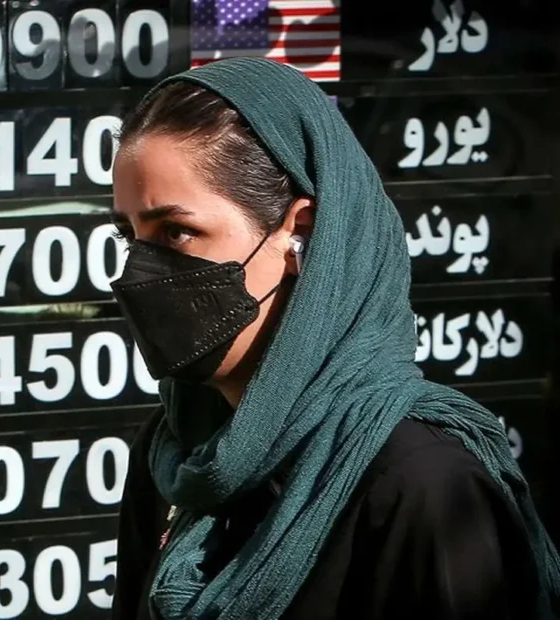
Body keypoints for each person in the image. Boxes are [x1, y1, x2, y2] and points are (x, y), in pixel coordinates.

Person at [107, 57, 560, 620]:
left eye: (177, 231)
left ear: (301, 233)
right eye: (130, 237)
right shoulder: (175, 457)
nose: (141, 272)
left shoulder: (421, 482)